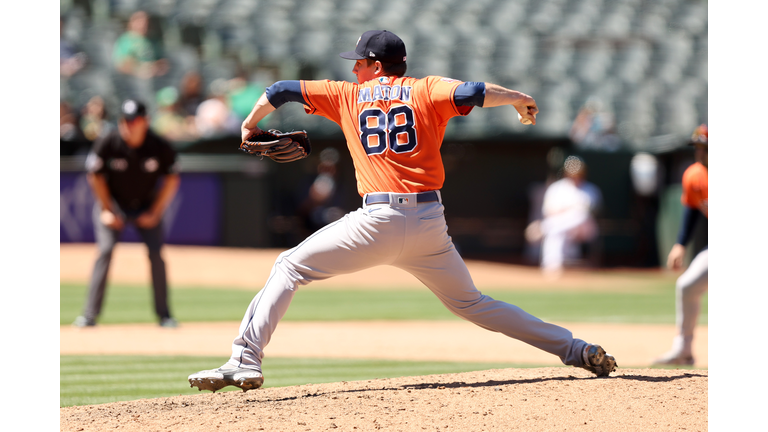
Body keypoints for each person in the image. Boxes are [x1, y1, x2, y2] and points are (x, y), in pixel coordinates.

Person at [188, 30, 617, 392]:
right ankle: (574, 348)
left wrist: (249, 124)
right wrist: (517, 99)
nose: (353, 68)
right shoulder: (425, 88)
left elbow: (279, 90)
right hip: (430, 225)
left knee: (288, 267)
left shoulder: (346, 96)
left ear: (376, 65)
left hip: (377, 221)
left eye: (359, 62)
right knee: (474, 303)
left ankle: (245, 360)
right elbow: (475, 92)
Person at [73, 99, 180, 328]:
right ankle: (89, 315)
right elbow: (95, 175)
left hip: (146, 206)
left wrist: (155, 211)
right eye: (126, 120)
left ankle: (165, 315)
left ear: (146, 121)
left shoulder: (158, 145)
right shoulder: (109, 141)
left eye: (136, 120)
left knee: (156, 255)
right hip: (114, 205)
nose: (131, 125)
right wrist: (106, 209)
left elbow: (172, 178)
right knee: (105, 251)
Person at [653, 124, 708, 366]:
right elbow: (692, 211)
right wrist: (680, 244)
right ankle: (684, 350)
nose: (700, 152)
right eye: (697, 147)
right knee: (687, 285)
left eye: (705, 147)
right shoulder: (694, 175)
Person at [526, 156, 602, 278]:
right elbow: (549, 211)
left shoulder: (590, 189)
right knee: (556, 231)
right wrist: (570, 209)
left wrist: (567, 210)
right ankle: (552, 267)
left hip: (585, 229)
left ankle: (543, 228)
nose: (575, 176)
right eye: (572, 173)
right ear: (566, 173)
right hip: (561, 227)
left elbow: (589, 212)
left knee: (580, 214)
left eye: (578, 173)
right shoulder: (556, 188)